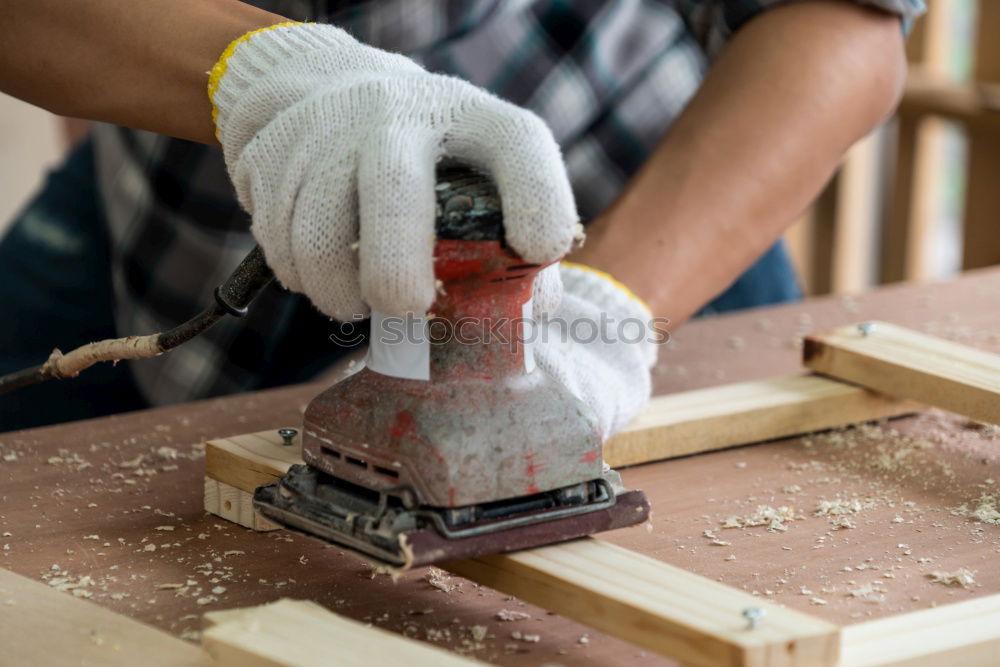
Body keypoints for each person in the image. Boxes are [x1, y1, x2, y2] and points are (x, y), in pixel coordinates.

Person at [0, 0, 922, 432]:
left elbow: (847, 22)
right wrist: (263, 79)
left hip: (642, 197)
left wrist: (598, 308)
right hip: (185, 183)